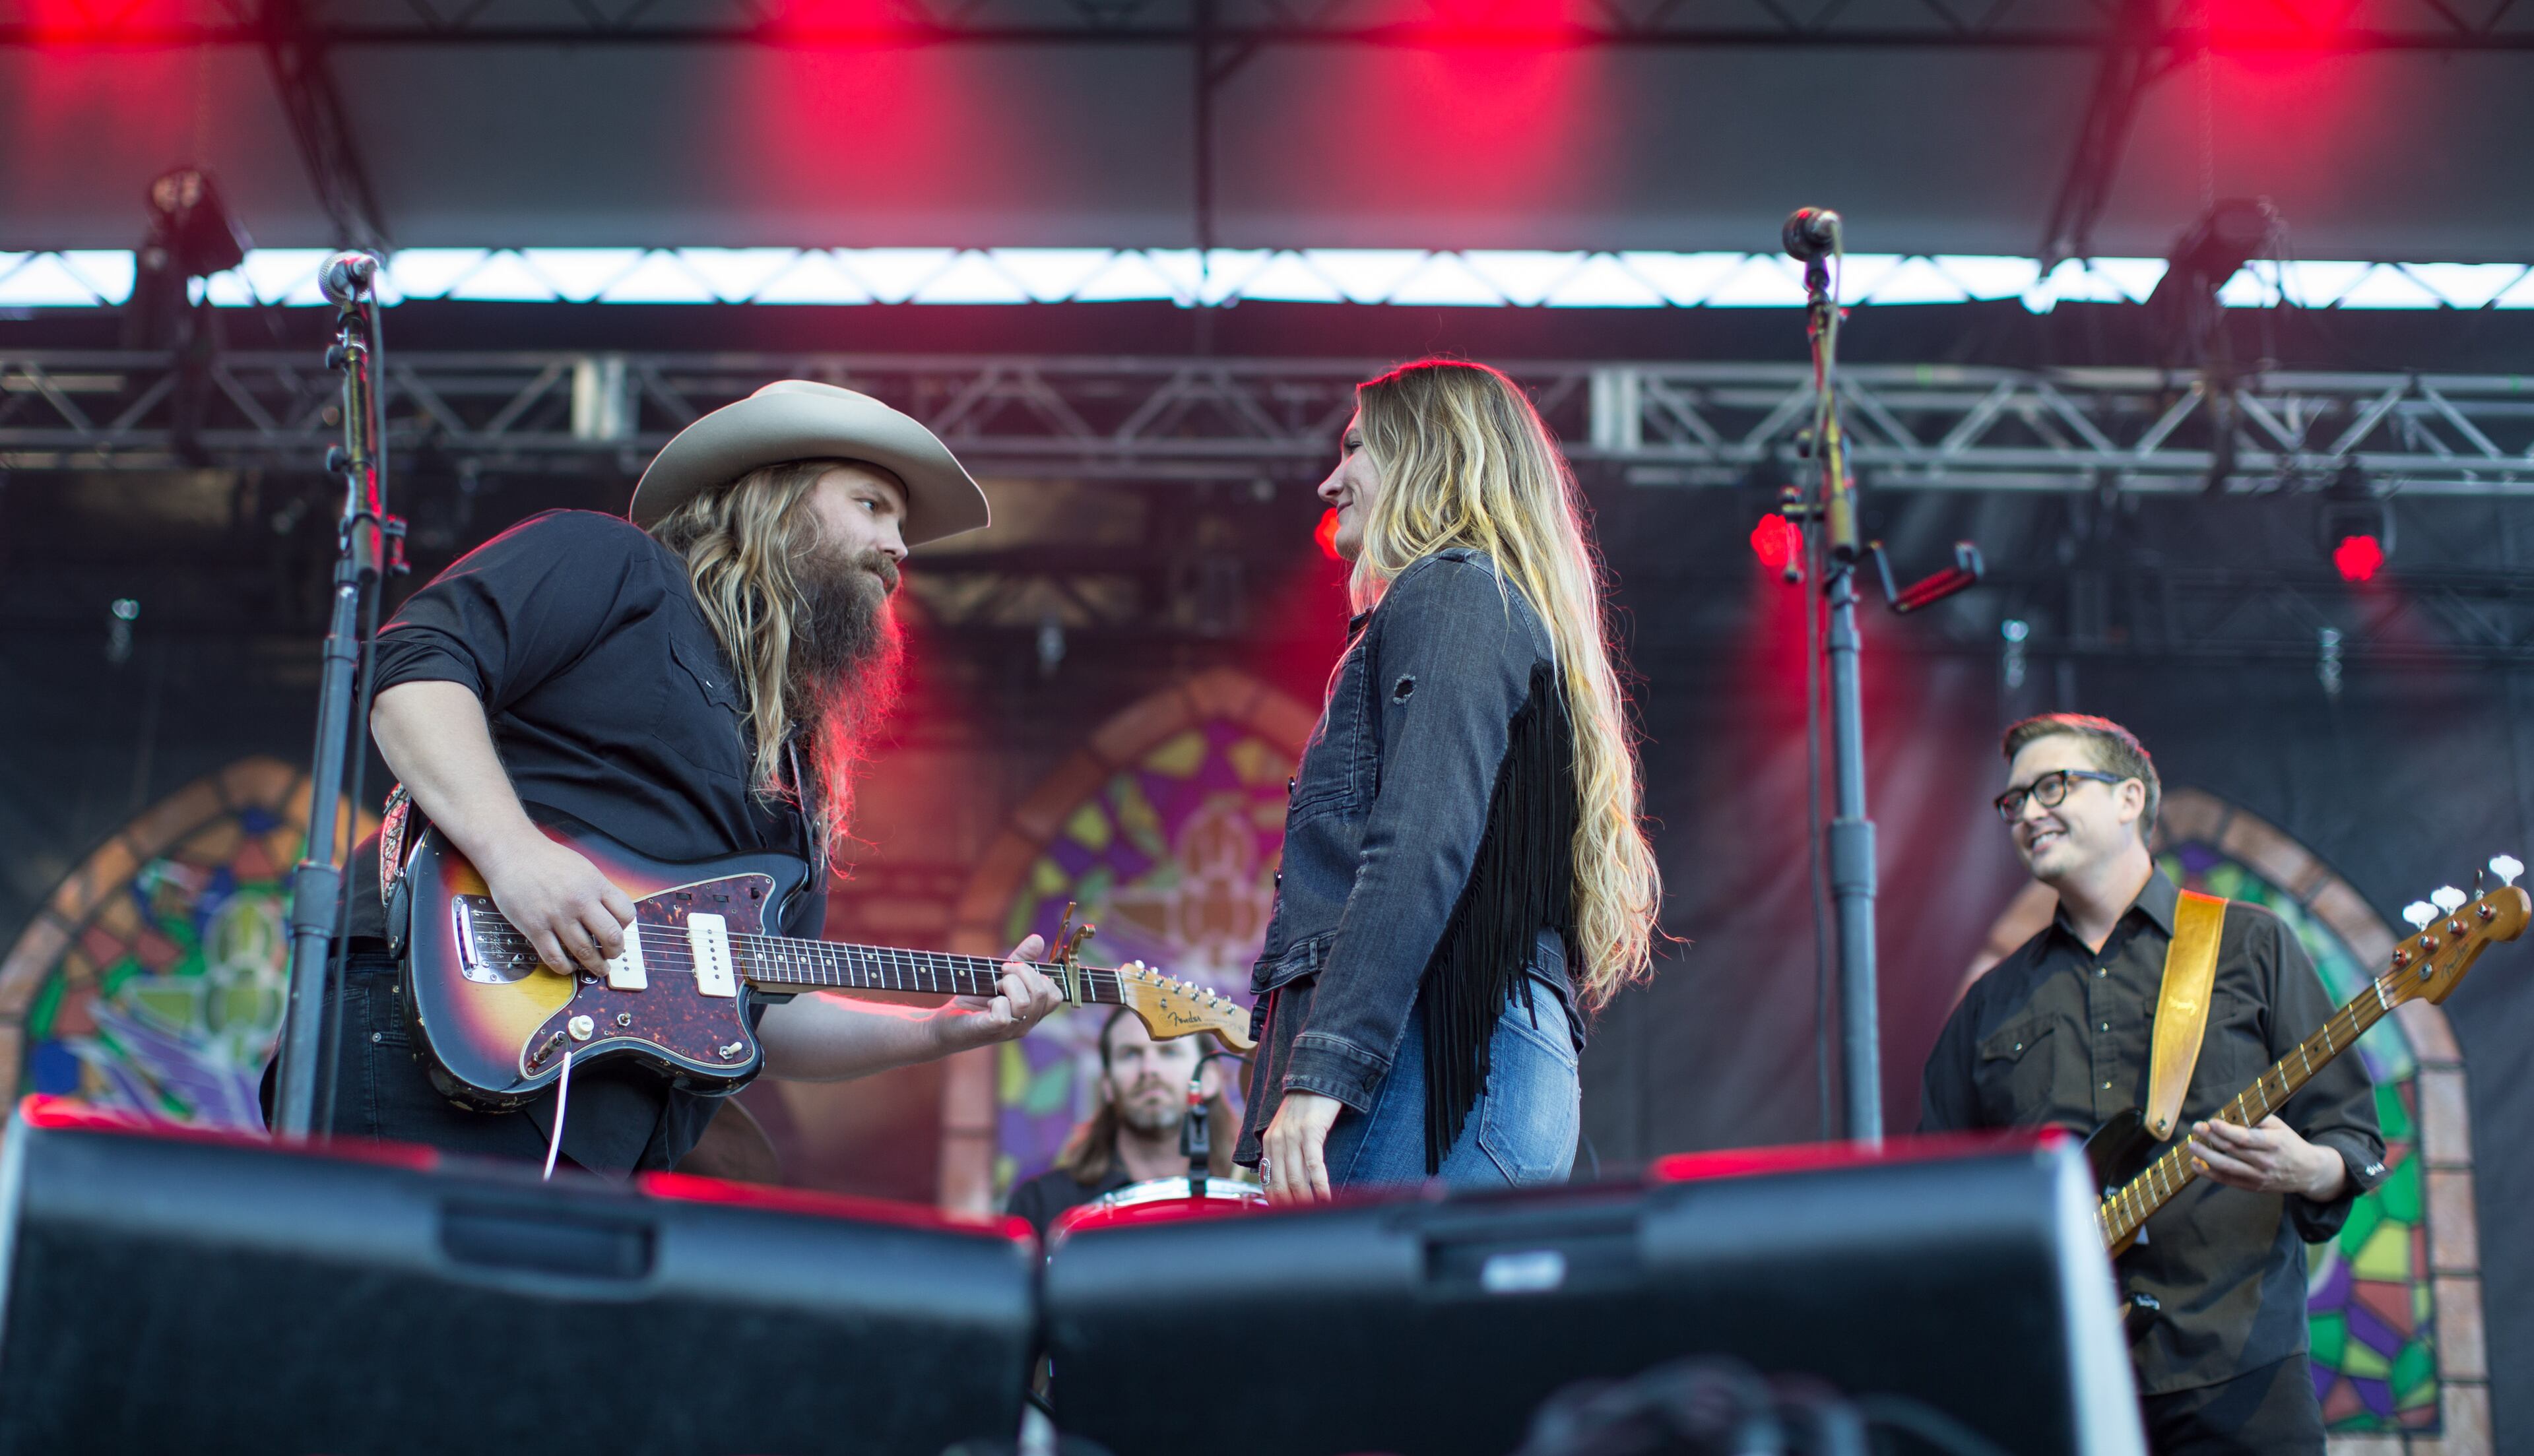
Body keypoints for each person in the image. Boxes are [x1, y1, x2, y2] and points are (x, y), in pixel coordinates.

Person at [278, 380, 1063, 1176]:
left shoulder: (793, 771)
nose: (899, 549)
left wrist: (936, 1031)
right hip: (430, 1035)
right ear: (775, 498)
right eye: (871, 506)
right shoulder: (612, 565)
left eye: (901, 527)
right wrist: (517, 855)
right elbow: (413, 671)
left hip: (598, 1130)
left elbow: (759, 1007)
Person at [1918, 712, 2386, 1456]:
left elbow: (2352, 1136)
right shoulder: (1991, 1005)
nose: (2027, 811)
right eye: (2014, 799)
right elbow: (1943, 1195)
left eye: (2053, 786)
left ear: (2131, 796)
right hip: (2070, 1389)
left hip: (2242, 1370)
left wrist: (2308, 1168)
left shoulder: (2250, 946)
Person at [1243, 359, 1662, 1205]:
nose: (1330, 481)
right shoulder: (1481, 604)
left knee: (1342, 1333)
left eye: (1357, 447)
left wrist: (1322, 1073)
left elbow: (1418, 844)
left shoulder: (1451, 593)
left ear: (1432, 454)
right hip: (1476, 1069)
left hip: (1436, 1065)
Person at [1004, 1008, 1239, 1234]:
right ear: (1107, 1085)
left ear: (1209, 1079)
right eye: (1131, 1054)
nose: (1149, 1069)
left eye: (1169, 1052)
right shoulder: (1043, 1204)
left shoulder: (1249, 1198)